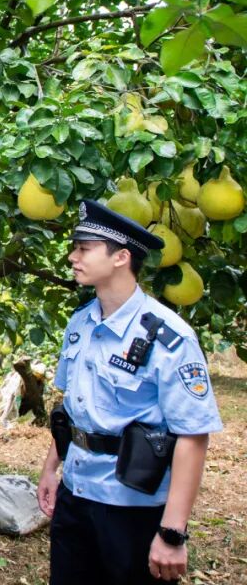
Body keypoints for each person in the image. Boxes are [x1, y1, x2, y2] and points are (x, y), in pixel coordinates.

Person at [37, 200, 223, 583]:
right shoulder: (81, 322)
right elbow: (71, 409)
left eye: (83, 249)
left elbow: (192, 435)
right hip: (77, 493)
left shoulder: (169, 337)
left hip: (132, 504)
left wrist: (172, 532)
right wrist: (51, 468)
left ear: (121, 257)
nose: (72, 257)